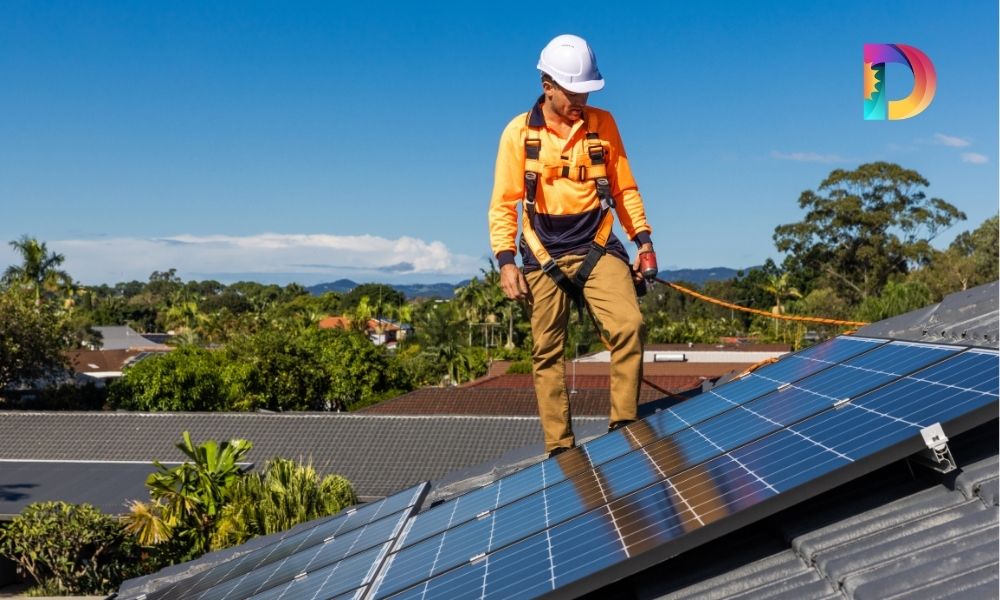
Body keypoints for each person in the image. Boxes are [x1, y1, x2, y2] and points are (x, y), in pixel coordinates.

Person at [488, 34, 656, 458]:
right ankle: (561, 449)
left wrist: (644, 241)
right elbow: (504, 203)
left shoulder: (603, 125)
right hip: (542, 253)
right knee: (547, 353)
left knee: (628, 326)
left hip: (597, 244)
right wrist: (506, 262)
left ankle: (623, 425)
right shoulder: (518, 133)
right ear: (549, 87)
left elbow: (625, 188)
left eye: (585, 90)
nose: (581, 98)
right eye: (573, 91)